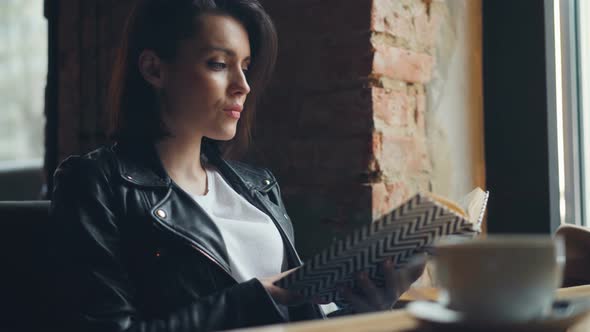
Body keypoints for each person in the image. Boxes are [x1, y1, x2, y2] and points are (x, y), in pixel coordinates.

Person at [49, 0, 418, 331]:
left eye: (245, 67)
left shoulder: (257, 185)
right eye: (219, 64)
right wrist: (268, 292)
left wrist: (368, 309)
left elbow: (300, 319)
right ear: (153, 69)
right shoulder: (94, 183)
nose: (243, 85)